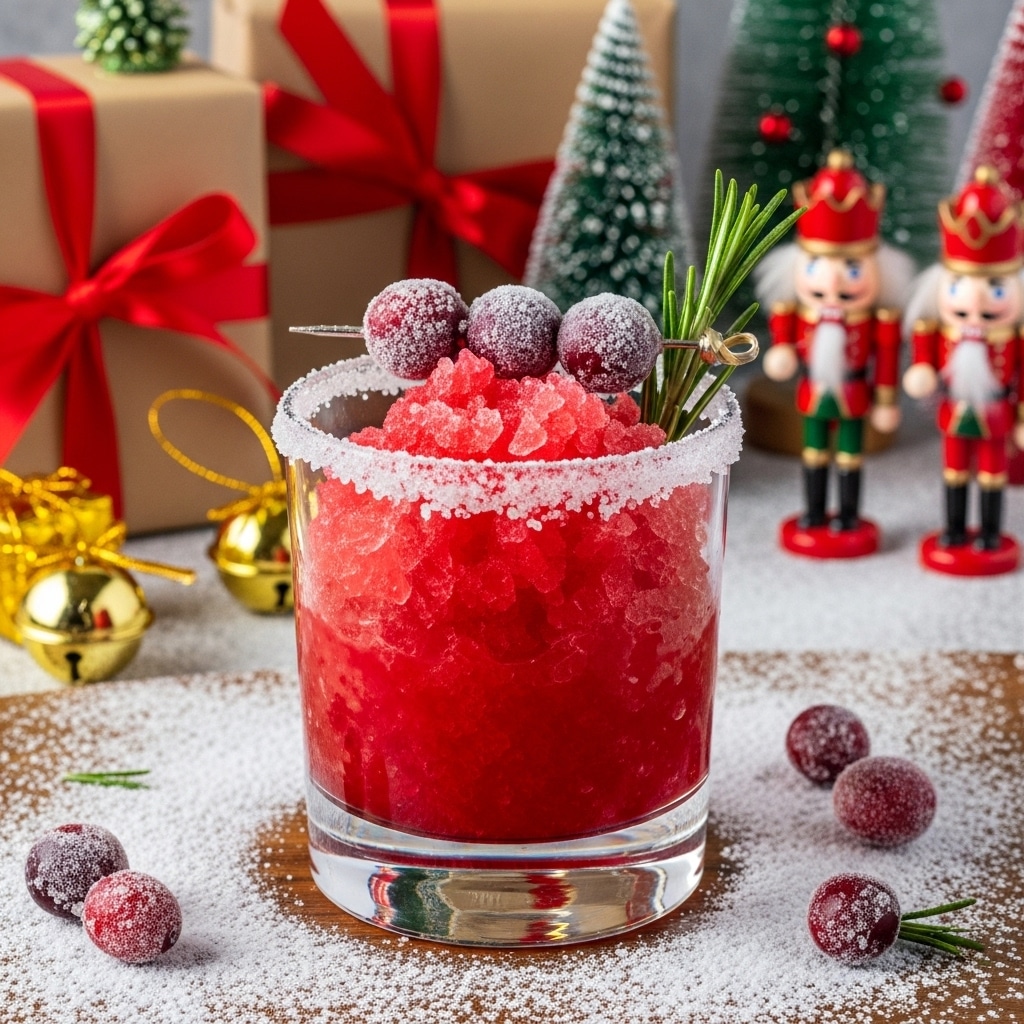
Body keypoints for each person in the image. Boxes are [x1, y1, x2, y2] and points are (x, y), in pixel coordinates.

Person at [754, 150, 915, 557]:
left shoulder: (875, 321)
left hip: (855, 395)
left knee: (848, 457)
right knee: (813, 455)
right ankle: (812, 511)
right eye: (819, 266)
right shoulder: (796, 313)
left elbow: (888, 361)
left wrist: (885, 399)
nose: (835, 279)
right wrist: (782, 355)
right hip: (813, 393)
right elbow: (784, 345)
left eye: (853, 268)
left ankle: (846, 514)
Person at [901, 166, 1024, 575]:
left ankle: (989, 531)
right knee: (954, 471)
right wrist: (921, 371)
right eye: (960, 287)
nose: (977, 301)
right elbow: (924, 361)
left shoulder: (1012, 339)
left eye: (996, 288)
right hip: (954, 413)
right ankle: (954, 528)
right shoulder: (938, 331)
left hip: (995, 414)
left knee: (992, 474)